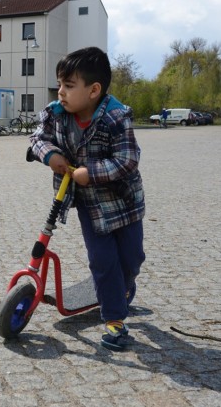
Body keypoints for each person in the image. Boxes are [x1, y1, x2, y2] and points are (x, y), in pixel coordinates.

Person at [29, 47, 145, 351]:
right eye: (60, 85)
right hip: (91, 208)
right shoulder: (55, 113)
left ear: (94, 90)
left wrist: (90, 172)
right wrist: (50, 154)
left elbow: (128, 159)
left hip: (124, 202)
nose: (61, 92)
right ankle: (115, 321)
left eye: (69, 86)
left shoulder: (116, 117)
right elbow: (38, 138)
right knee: (103, 261)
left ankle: (123, 287)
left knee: (132, 260)